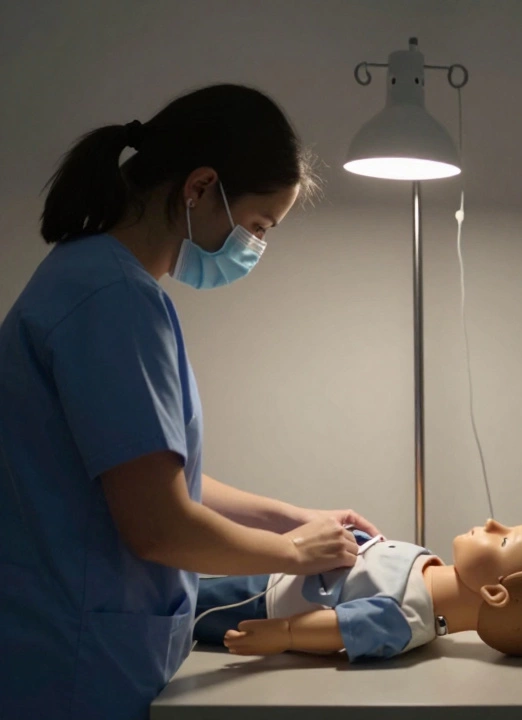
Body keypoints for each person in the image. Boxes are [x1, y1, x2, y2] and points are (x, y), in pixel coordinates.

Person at [0, 84, 383, 720]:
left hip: (73, 644)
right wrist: (295, 554)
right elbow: (158, 522)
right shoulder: (113, 303)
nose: (256, 246)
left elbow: (153, 477)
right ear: (200, 187)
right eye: (258, 226)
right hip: (73, 663)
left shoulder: (93, 279)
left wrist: (288, 517)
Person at [193, 519, 522, 660]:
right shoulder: (426, 565)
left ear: (495, 594)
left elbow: (340, 626)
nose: (492, 522)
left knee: (185, 603)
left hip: (266, 600)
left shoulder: (405, 616)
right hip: (283, 567)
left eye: (504, 540)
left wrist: (286, 633)